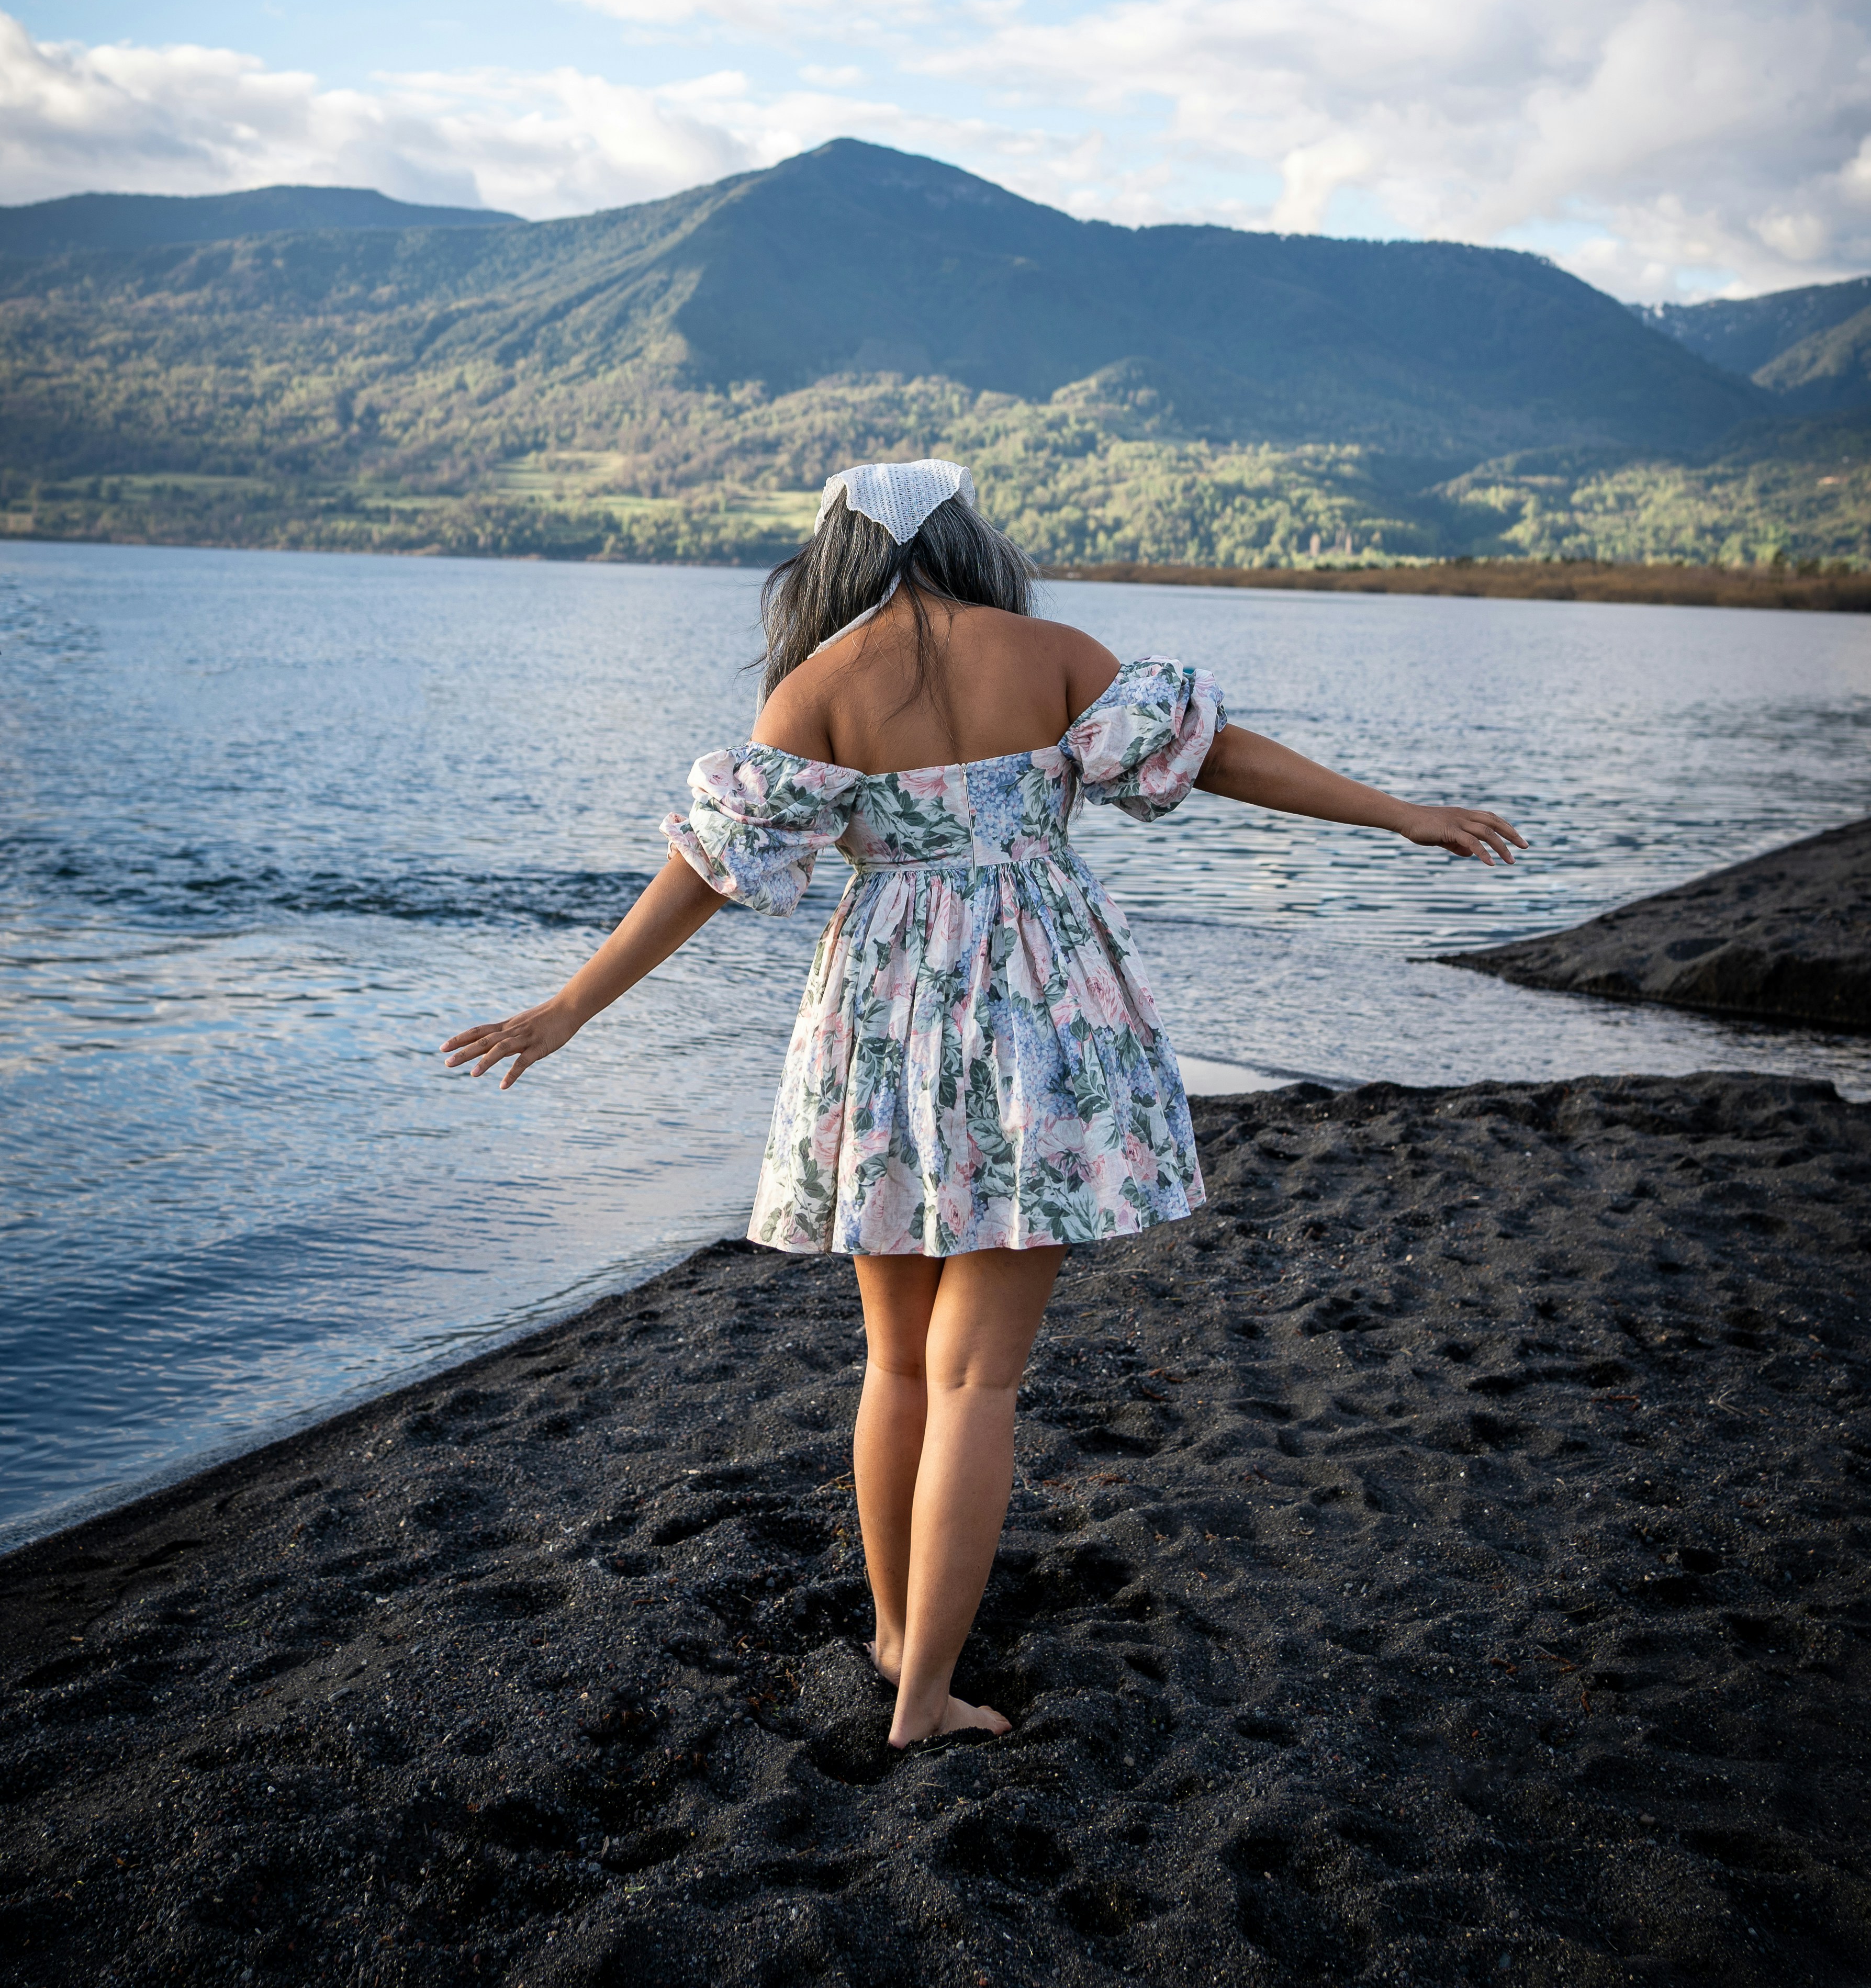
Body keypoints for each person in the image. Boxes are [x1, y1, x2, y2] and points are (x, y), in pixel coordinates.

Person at [443, 459, 1523, 1748]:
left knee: (898, 1363)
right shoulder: (1051, 651)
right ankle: (921, 1699)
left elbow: (710, 865)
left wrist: (569, 1008)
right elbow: (1216, 756)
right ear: (969, 539)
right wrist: (1399, 816)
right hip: (1042, 1022)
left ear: (838, 556)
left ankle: (902, 1638)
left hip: (884, 1025)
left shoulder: (818, 685)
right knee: (980, 1385)